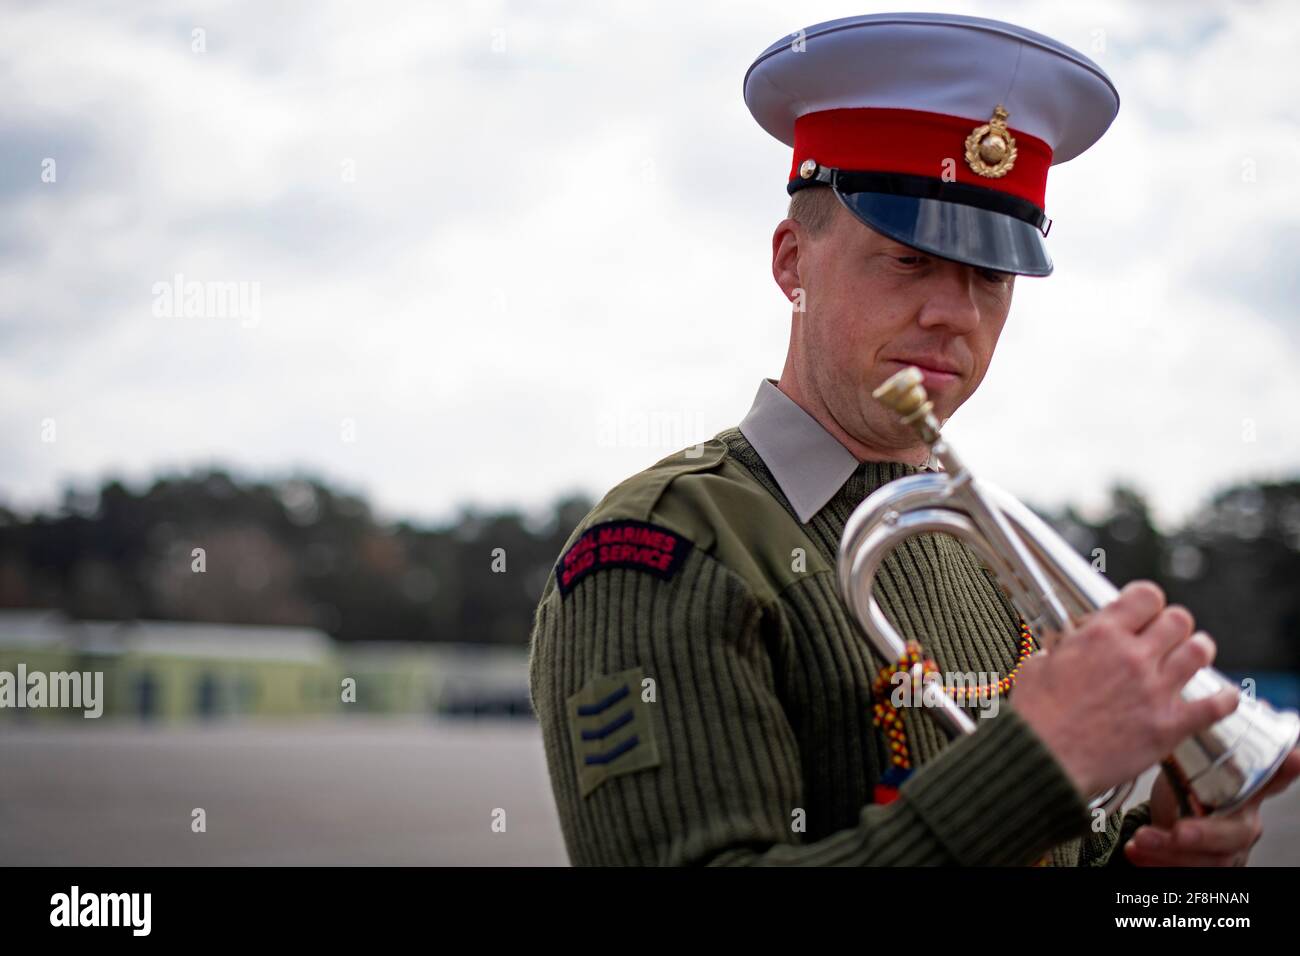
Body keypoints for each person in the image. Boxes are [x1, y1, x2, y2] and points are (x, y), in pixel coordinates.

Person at [527, 12, 1299, 866]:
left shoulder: (991, 553)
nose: (955, 316)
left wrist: (1159, 873)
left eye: (991, 277)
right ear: (793, 262)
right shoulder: (658, 547)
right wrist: (1036, 767)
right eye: (906, 259)